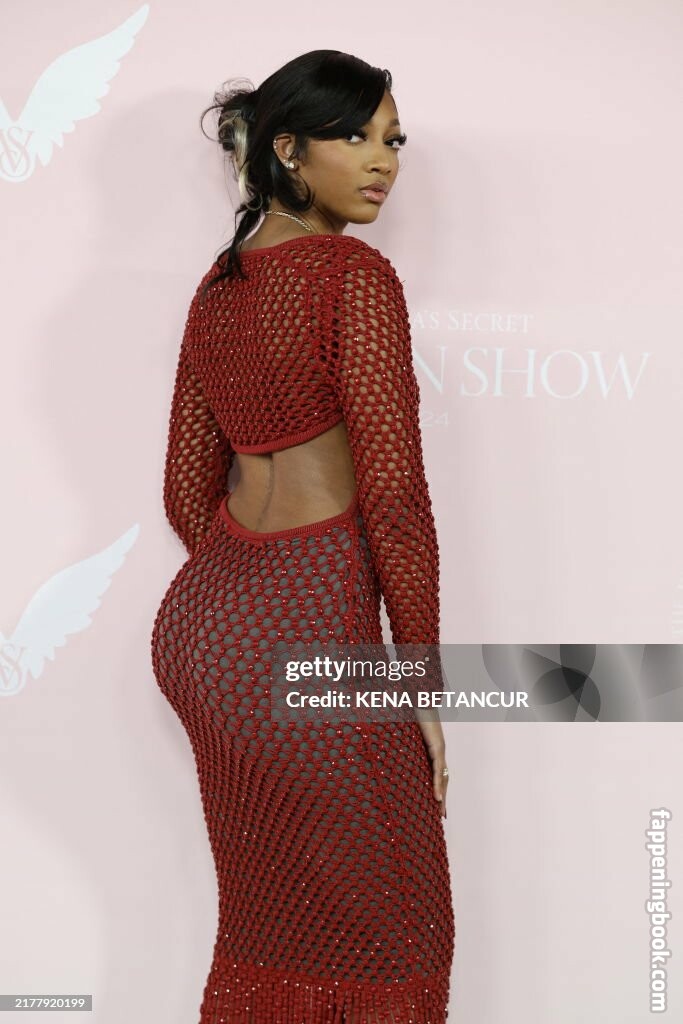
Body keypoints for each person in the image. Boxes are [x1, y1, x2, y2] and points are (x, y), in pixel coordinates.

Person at [150, 48, 455, 1024]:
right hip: (311, 623)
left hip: (206, 634)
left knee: (266, 923)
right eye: (355, 136)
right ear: (287, 149)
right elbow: (394, 500)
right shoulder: (350, 277)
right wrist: (417, 683)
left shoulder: (218, 287)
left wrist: (245, 605)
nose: (382, 160)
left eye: (392, 140)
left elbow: (186, 493)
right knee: (402, 933)